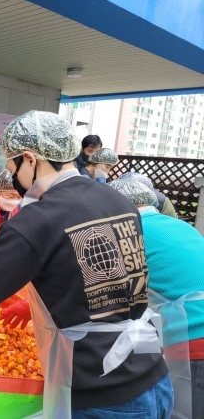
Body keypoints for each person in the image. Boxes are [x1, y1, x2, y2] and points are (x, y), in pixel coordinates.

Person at [0, 111, 171, 419]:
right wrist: (35, 306)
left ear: (30, 159)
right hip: (153, 371)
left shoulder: (38, 219)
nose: (13, 177)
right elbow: (107, 278)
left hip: (102, 392)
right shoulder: (117, 201)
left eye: (12, 167)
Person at [109, 177, 204, 418]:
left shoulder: (128, 232)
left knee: (185, 411)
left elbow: (99, 290)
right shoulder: (181, 225)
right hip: (190, 330)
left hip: (193, 338)